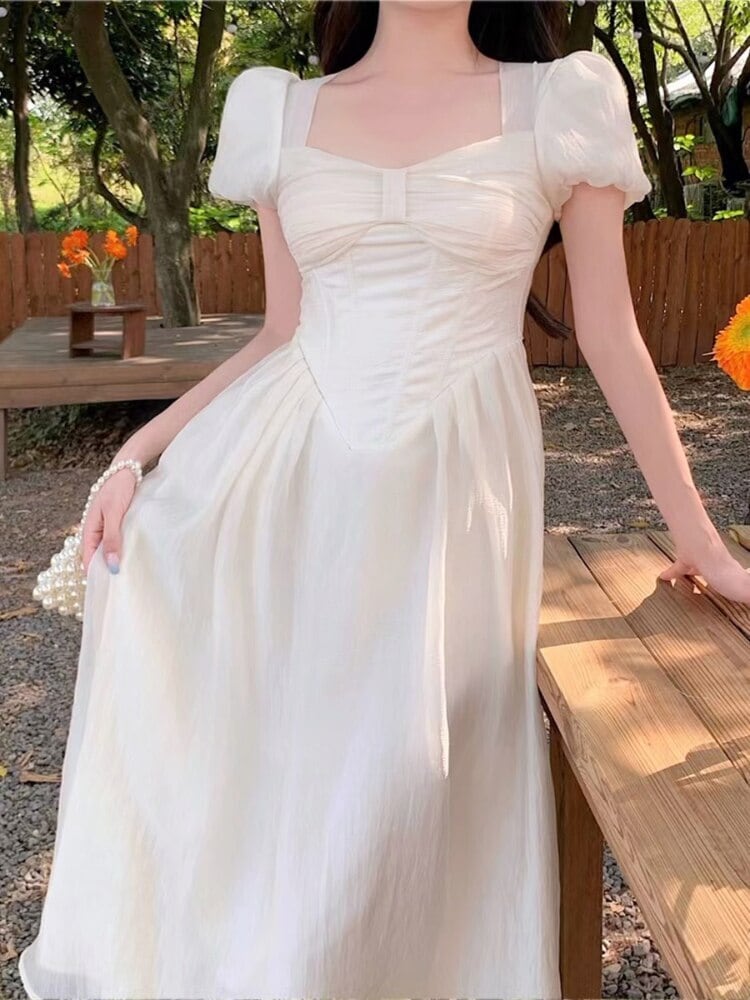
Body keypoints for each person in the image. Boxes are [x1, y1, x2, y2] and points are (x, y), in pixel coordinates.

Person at [19, 1, 750, 998]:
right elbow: (280, 332)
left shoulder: (561, 101)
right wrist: (136, 456)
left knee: (407, 791)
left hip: (454, 496)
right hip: (285, 485)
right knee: (281, 779)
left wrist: (699, 538)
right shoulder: (277, 109)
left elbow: (612, 336)